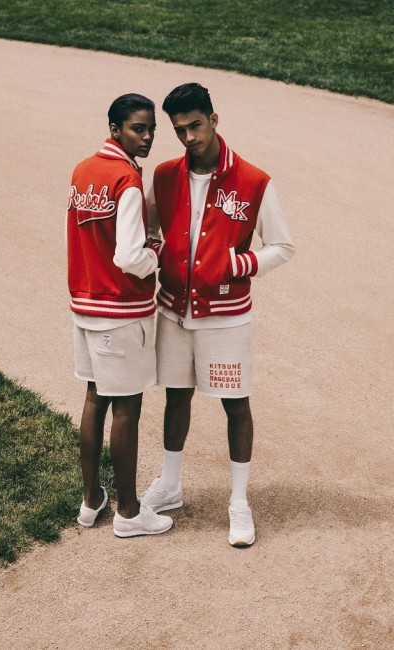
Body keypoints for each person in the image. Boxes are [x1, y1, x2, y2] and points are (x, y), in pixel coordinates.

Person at [140, 83, 295, 546]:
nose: (189, 137)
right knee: (176, 397)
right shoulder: (164, 175)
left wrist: (237, 264)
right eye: (179, 129)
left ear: (213, 119)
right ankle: (170, 485)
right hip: (173, 309)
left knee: (236, 404)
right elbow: (150, 229)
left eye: (195, 125)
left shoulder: (254, 181)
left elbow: (282, 246)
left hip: (227, 314)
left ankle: (239, 501)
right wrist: (159, 254)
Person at [66, 93, 172, 538]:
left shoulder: (83, 169)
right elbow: (129, 256)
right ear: (115, 129)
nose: (147, 137)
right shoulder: (126, 180)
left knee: (95, 399)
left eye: (151, 129)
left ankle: (91, 501)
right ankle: (128, 512)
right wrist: (156, 254)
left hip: (85, 305)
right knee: (127, 408)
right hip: (120, 309)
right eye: (137, 129)